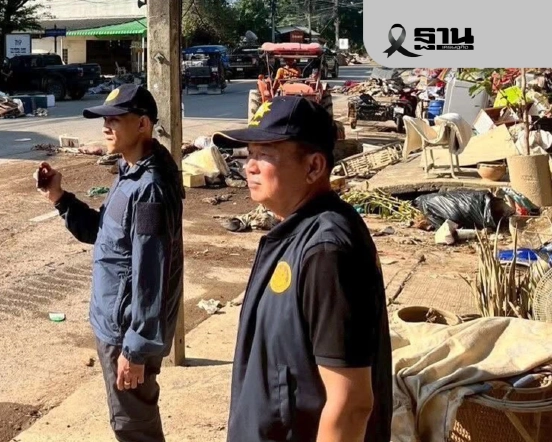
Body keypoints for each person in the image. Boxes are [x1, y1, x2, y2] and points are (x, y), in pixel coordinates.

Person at [211, 96, 392, 442]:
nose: (249, 167)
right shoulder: (294, 232)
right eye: (250, 154)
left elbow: (351, 402)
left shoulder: (326, 250)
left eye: (265, 155)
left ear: (313, 167)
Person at [34, 84, 185, 442]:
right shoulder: (130, 173)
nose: (106, 126)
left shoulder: (149, 188)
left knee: (134, 428)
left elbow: (152, 274)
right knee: (130, 423)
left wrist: (135, 349)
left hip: (126, 333)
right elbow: (103, 234)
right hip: (116, 325)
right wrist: (59, 197)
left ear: (143, 124)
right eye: (105, 119)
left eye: (116, 119)